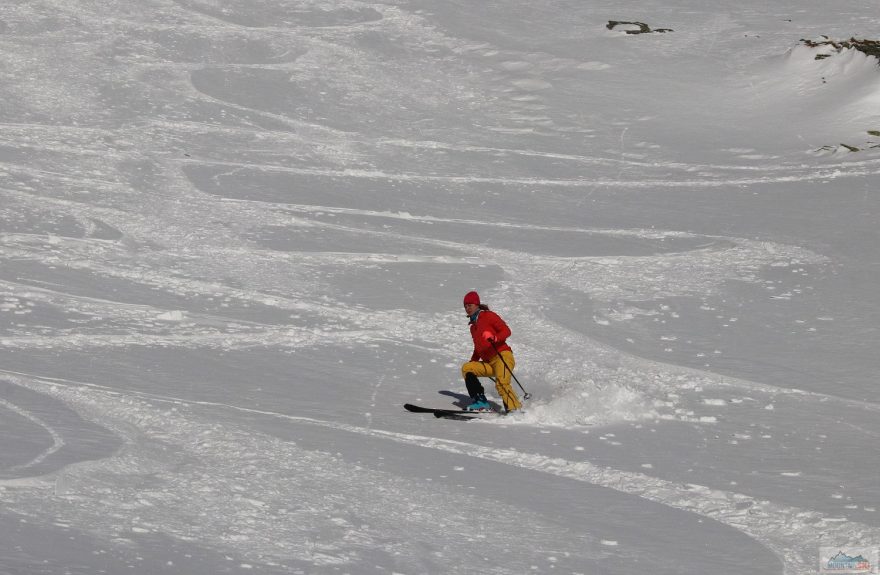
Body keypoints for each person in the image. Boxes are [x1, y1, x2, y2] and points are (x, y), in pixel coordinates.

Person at [460, 291, 522, 412]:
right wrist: (473, 362)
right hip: (489, 363)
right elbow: (479, 349)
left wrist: (495, 338)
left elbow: (506, 331)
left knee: (501, 383)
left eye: (470, 305)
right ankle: (481, 402)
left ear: (477, 304)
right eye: (465, 306)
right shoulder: (473, 327)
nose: (467, 308)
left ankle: (515, 410)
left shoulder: (488, 316)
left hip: (502, 357)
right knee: (467, 368)